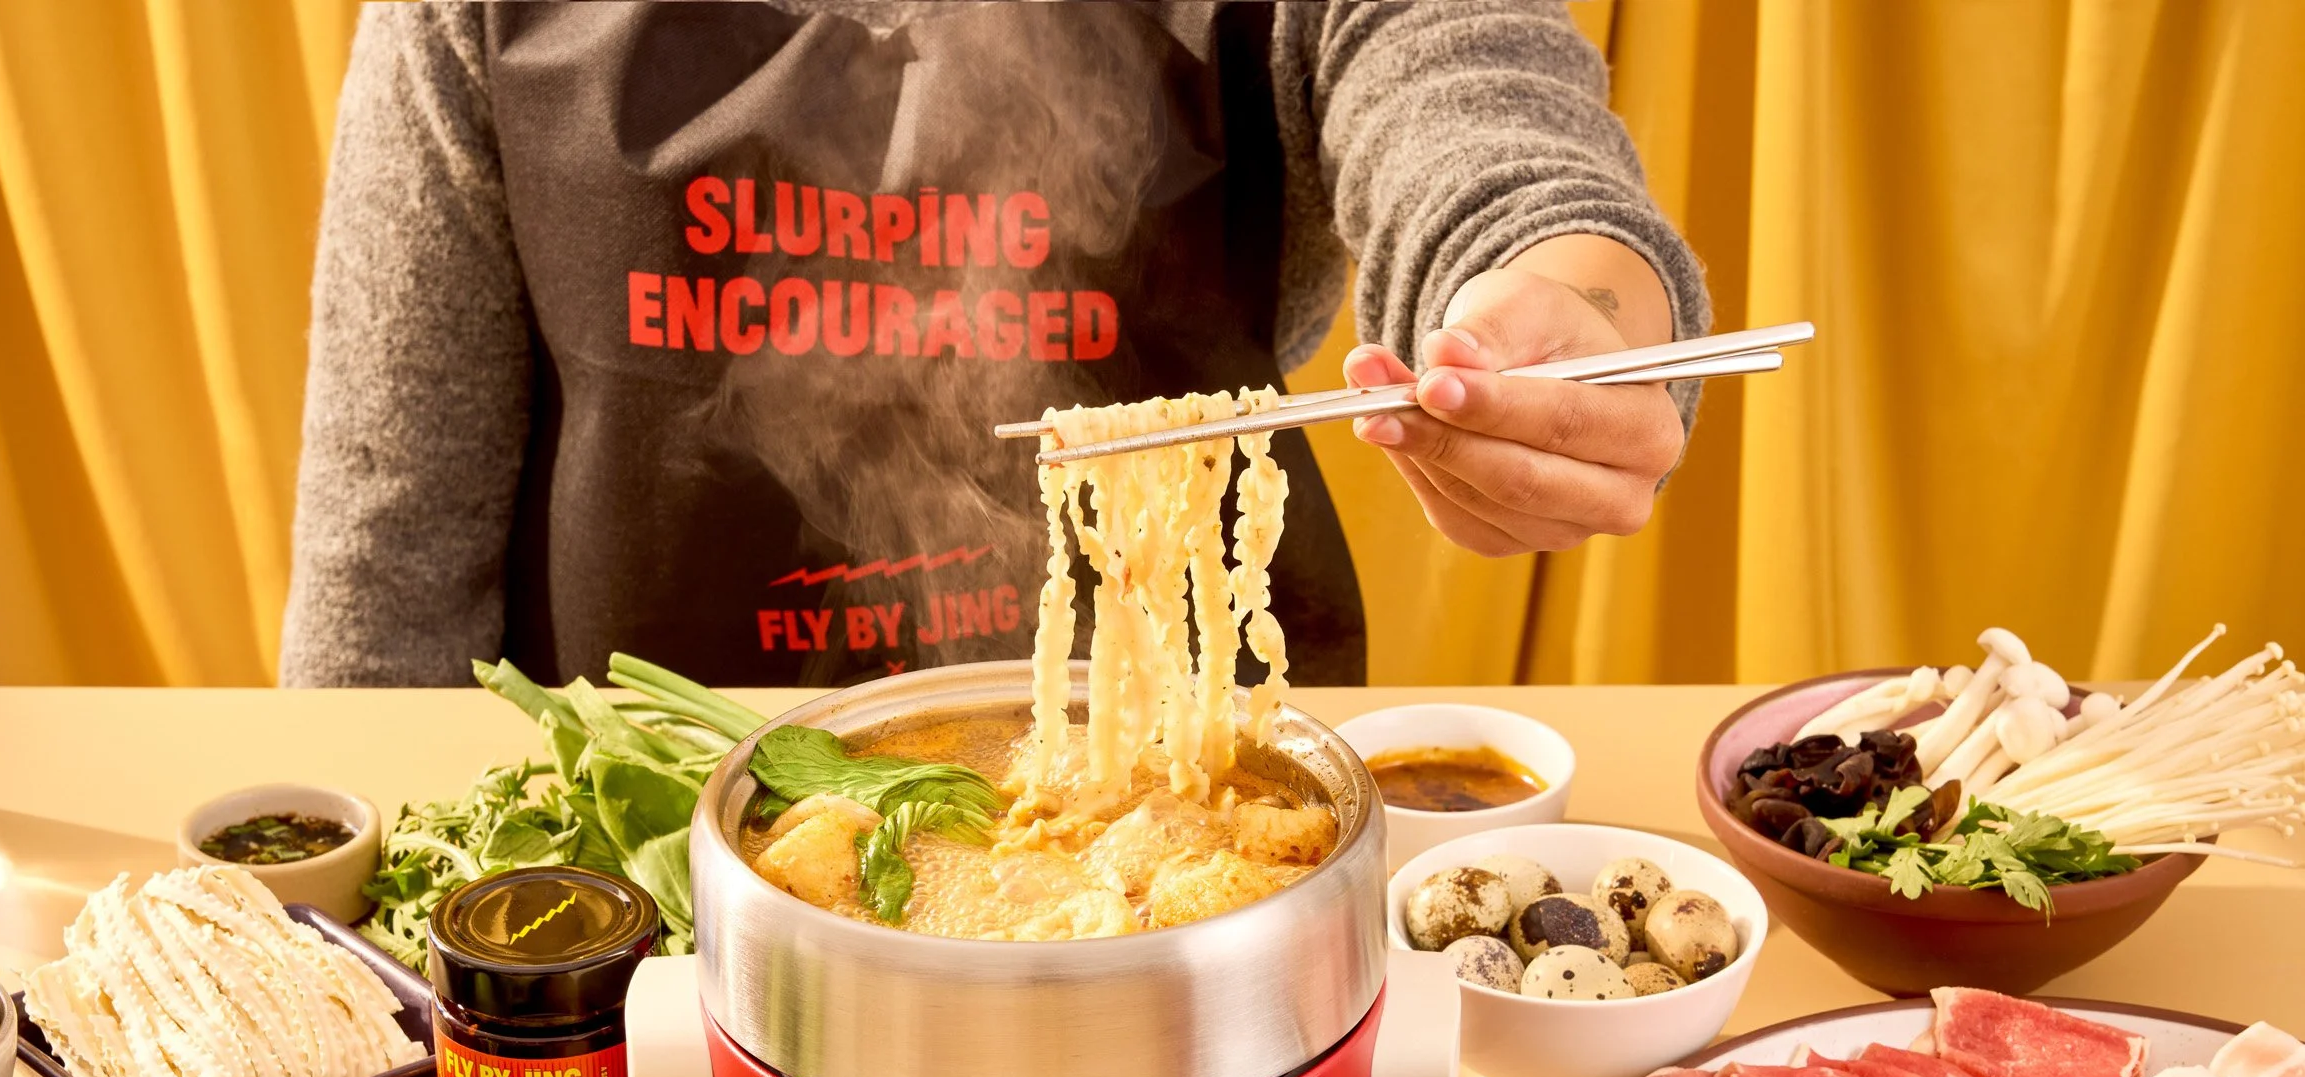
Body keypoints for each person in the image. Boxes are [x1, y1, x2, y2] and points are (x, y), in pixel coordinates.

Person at [281, 1, 1707, 689]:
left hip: (1187, 873)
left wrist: (1566, 309)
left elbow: (1488, 134)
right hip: (647, 919)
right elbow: (386, 574)